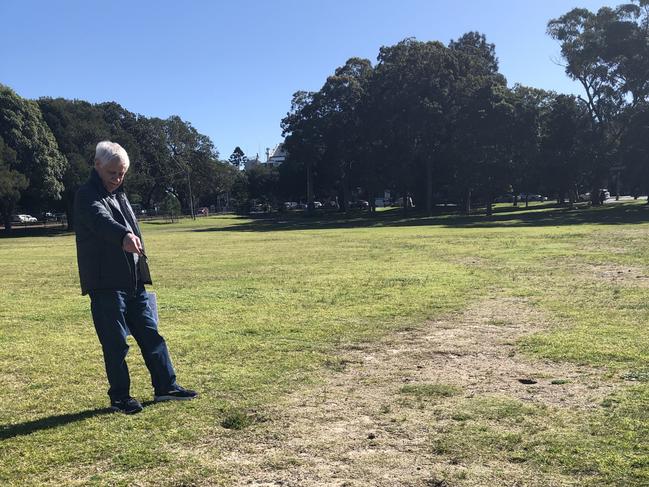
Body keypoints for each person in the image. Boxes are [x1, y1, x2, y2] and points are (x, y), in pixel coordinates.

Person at [74, 141, 197, 414]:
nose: (117, 179)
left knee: (151, 335)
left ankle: (166, 387)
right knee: (116, 343)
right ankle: (120, 397)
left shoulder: (121, 195)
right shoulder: (86, 195)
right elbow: (100, 221)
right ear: (97, 165)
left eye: (122, 174)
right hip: (106, 283)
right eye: (112, 173)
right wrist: (124, 236)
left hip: (134, 280)